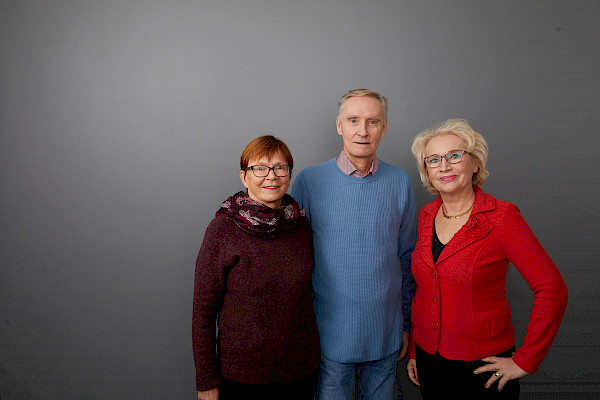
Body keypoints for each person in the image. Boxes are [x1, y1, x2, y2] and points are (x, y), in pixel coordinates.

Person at [406, 119, 568, 399]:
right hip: (428, 360)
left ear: (475, 163)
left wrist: (525, 360)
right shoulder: (425, 216)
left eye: (454, 155)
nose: (444, 166)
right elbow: (424, 290)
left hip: (483, 368)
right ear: (427, 171)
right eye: (433, 160)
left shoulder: (503, 217)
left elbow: (553, 289)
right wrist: (414, 350)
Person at [291, 89, 417, 400]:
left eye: (372, 121)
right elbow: (295, 260)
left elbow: (407, 257)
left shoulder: (401, 182)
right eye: (353, 120)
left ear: (384, 128)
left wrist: (406, 323)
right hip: (328, 334)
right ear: (339, 125)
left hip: (385, 333)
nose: (363, 131)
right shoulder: (309, 181)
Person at [192, 135, 321, 400]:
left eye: (279, 167)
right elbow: (203, 312)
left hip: (301, 374)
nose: (271, 176)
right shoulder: (222, 230)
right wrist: (206, 381)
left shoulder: (300, 226)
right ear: (244, 177)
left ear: (289, 174)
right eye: (260, 168)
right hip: (241, 379)